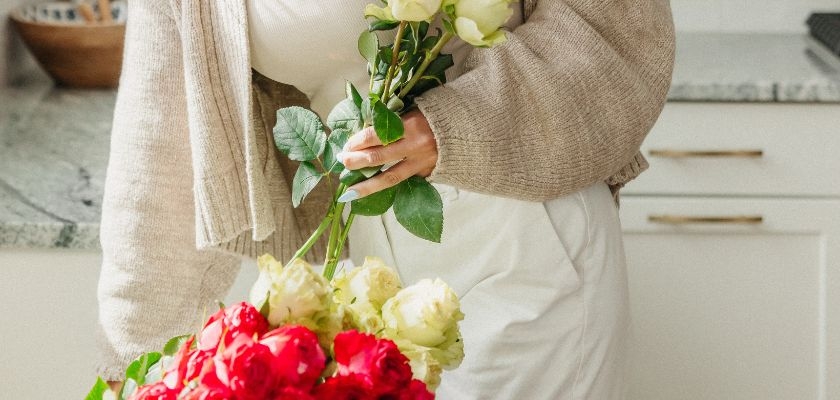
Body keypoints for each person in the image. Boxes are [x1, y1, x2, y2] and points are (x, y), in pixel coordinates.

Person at [96, 0, 675, 398]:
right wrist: (138, 363)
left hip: (524, 246)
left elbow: (613, 26)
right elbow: (159, 154)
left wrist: (452, 123)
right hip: (365, 279)